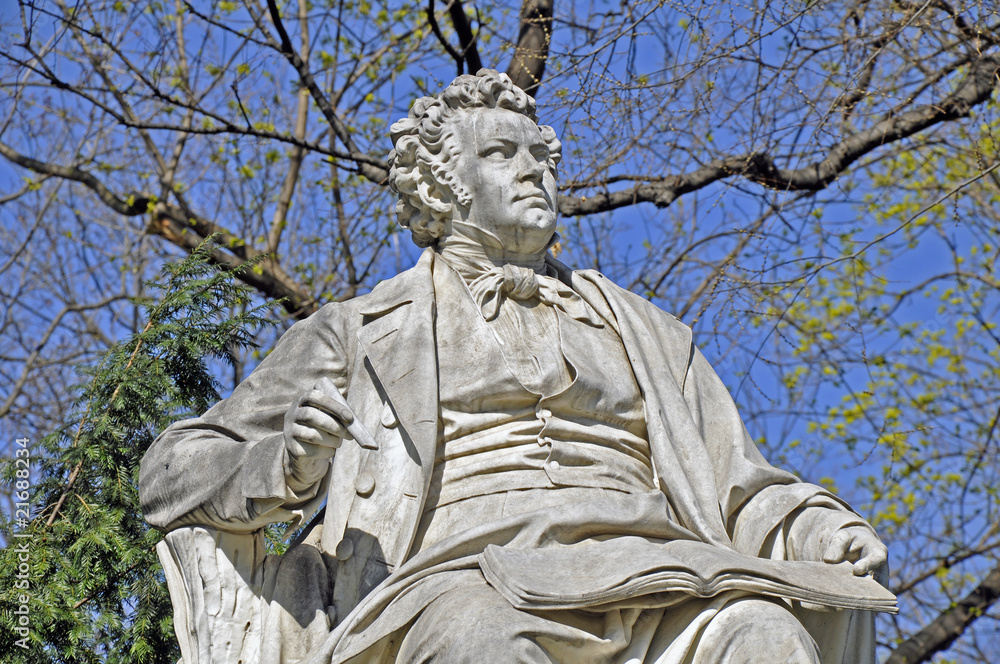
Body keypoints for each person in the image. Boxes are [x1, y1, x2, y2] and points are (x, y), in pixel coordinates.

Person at [140, 69, 891, 664]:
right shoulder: (359, 331)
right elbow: (170, 473)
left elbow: (742, 488)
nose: (534, 171)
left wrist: (817, 528)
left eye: (542, 157)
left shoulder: (648, 333)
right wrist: (286, 462)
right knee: (479, 643)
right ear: (439, 183)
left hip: (664, 576)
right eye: (502, 155)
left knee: (765, 633)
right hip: (460, 583)